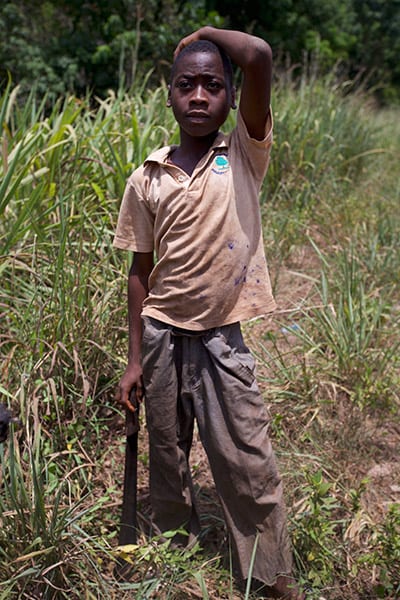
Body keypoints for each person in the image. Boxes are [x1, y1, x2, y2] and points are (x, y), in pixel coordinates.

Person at [114, 26, 305, 599]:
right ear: (168, 94)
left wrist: (201, 35)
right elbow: (139, 273)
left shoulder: (245, 151)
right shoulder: (147, 177)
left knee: (248, 463)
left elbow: (261, 57)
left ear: (229, 96)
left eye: (213, 85)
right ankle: (178, 553)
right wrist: (133, 359)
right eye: (186, 84)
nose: (199, 96)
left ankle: (271, 575)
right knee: (167, 452)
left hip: (223, 339)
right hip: (161, 335)